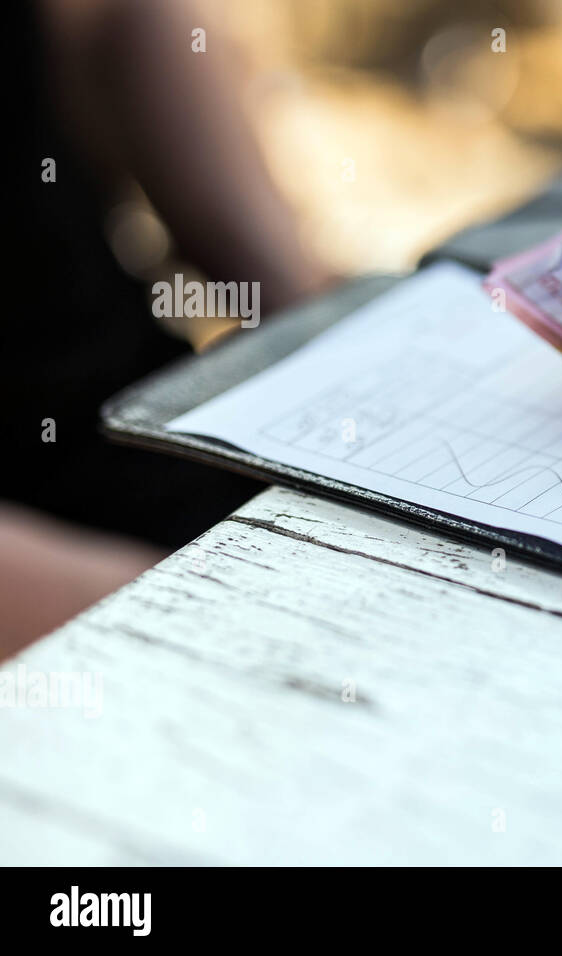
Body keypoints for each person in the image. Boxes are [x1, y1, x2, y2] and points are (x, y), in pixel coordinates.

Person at [2, 0, 338, 657]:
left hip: (163, 433)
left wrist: (303, 316)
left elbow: (117, 17)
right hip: (81, 642)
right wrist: (193, 612)